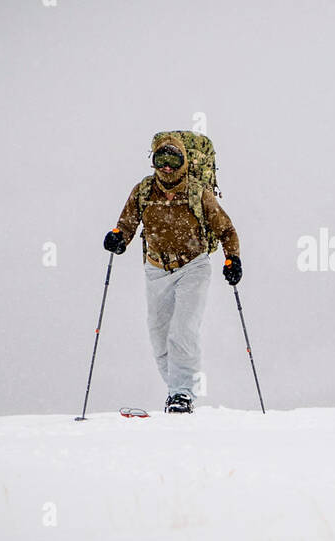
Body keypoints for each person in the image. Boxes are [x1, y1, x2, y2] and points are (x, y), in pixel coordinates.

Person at [102, 133, 241, 414]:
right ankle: (176, 388)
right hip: (156, 270)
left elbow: (226, 229)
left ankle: (182, 394)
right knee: (159, 334)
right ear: (152, 161)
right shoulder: (143, 191)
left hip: (193, 266)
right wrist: (118, 238)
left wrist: (232, 259)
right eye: (160, 159)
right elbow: (126, 225)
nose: (166, 167)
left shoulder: (197, 192)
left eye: (173, 160)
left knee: (183, 330)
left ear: (184, 162)